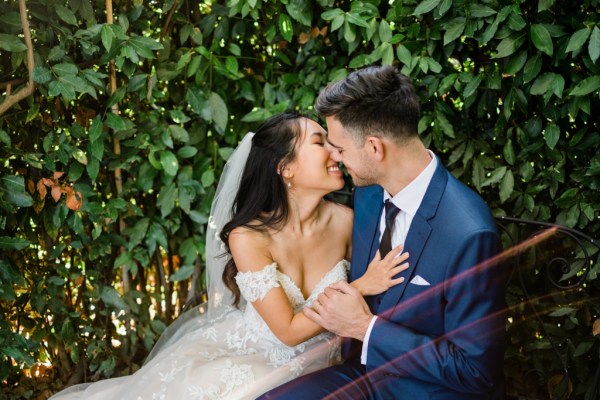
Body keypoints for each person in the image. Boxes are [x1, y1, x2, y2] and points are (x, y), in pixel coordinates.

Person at [49, 112, 409, 399]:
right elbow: (286, 331)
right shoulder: (248, 236)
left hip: (324, 367)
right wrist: (360, 287)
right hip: (257, 357)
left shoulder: (350, 221)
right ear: (285, 168)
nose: (336, 153)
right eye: (320, 143)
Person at [258, 66, 506, 399]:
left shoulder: (468, 233)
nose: (333, 157)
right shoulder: (370, 194)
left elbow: (474, 370)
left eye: (341, 149)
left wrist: (365, 327)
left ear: (375, 148)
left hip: (423, 391)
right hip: (360, 377)